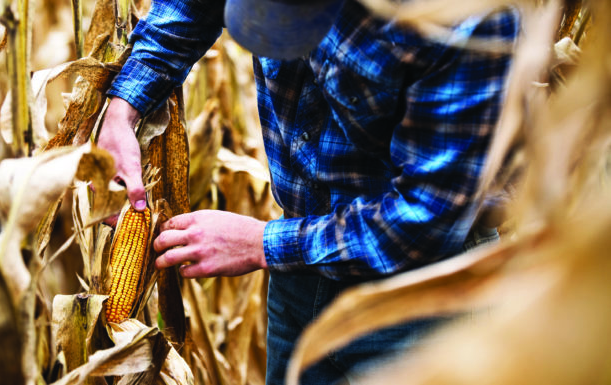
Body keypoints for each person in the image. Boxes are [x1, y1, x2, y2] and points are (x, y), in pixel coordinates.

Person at [97, 0, 518, 383]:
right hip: (297, 282)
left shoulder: (466, 20)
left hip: (422, 298)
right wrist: (124, 106)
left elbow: (428, 217)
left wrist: (261, 244)